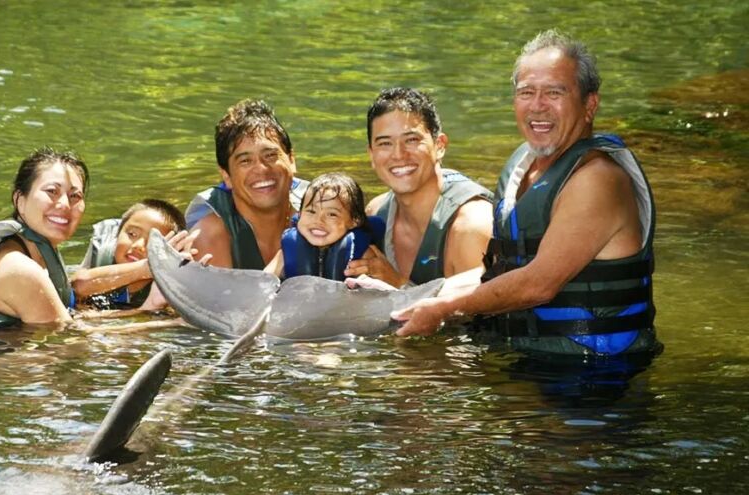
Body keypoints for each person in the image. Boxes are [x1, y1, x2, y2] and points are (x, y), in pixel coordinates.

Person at [394, 30, 661, 359]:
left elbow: (537, 284)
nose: (537, 106)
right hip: (531, 357)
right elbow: (500, 273)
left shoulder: (597, 179)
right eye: (526, 92)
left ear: (589, 105)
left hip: (595, 376)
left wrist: (444, 310)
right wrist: (409, 301)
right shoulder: (526, 169)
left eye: (554, 92)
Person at [345, 87, 493, 287]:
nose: (398, 154)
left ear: (440, 145)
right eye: (385, 143)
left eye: (412, 140)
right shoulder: (377, 212)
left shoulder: (470, 227)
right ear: (371, 155)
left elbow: (481, 311)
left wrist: (398, 284)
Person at [0, 147, 87, 327]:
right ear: (20, 201)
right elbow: (68, 342)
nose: (65, 204)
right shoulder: (19, 269)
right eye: (52, 191)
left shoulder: (32, 251)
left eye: (75, 195)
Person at [186, 99, 310, 270]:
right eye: (245, 161)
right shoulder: (209, 236)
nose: (261, 169)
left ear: (291, 159)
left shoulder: (322, 211)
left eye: (270, 155)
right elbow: (224, 297)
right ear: (226, 176)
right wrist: (282, 258)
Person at [265, 172, 384, 281]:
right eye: (311, 212)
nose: (318, 221)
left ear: (354, 221)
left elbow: (380, 291)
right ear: (300, 214)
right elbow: (263, 284)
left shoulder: (362, 254)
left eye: (332, 214)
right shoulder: (286, 252)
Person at [72, 198, 187, 309]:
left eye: (152, 241)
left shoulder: (167, 292)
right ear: (117, 235)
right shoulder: (97, 266)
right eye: (132, 234)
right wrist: (148, 267)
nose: (139, 246)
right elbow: (77, 287)